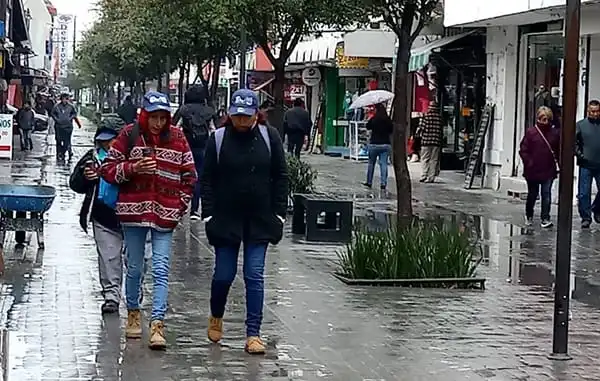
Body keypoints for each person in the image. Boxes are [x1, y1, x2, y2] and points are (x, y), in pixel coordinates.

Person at [101, 91, 197, 349]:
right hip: (133, 214)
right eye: (153, 117)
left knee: (161, 269)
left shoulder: (177, 138)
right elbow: (108, 169)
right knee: (134, 267)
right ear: (144, 115)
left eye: (162, 117)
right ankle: (133, 313)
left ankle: (157, 324)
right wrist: (132, 168)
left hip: (165, 215)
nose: (157, 123)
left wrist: (180, 206)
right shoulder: (129, 135)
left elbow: (189, 175)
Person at [200, 89, 288, 354]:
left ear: (255, 115)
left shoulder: (268, 136)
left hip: (260, 218)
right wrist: (209, 213)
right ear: (229, 114)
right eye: (236, 116)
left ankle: (253, 333)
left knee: (254, 275)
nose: (241, 121)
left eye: (246, 116)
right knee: (224, 275)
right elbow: (206, 179)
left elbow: (281, 175)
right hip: (226, 218)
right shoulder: (217, 139)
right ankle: (216, 315)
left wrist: (279, 213)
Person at [69, 116, 126, 314]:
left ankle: (135, 295)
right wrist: (85, 178)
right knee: (108, 258)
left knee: (138, 261)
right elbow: (74, 184)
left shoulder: (133, 157)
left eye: (113, 139)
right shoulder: (91, 158)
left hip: (132, 217)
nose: (109, 144)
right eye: (105, 140)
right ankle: (111, 296)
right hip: (103, 216)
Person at [172, 84, 215, 220]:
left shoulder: (183, 110)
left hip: (185, 148)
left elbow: (174, 128)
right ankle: (195, 211)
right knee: (200, 178)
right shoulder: (209, 111)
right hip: (204, 148)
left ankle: (179, 207)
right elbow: (214, 130)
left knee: (181, 177)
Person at [519, 106, 560, 228]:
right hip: (533, 170)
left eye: (547, 119)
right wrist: (529, 162)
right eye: (542, 119)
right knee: (533, 193)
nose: (544, 122)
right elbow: (523, 150)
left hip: (548, 169)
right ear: (538, 119)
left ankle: (545, 218)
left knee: (546, 193)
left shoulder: (554, 134)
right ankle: (529, 215)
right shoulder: (531, 133)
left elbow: (558, 151)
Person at [576, 99, 600, 228]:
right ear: (587, 111)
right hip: (586, 163)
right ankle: (585, 217)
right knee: (584, 192)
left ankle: (596, 208)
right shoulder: (580, 125)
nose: (595, 114)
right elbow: (575, 143)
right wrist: (580, 155)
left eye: (597, 111)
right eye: (592, 111)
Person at [362, 103, 393, 190]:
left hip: (374, 144)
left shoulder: (374, 119)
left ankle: (369, 182)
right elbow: (391, 130)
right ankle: (383, 183)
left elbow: (368, 126)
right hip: (385, 144)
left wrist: (369, 118)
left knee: (371, 163)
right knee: (383, 164)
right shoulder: (387, 119)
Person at [417, 101, 443, 183]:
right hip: (436, 142)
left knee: (425, 159)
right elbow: (441, 131)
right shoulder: (439, 118)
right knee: (434, 160)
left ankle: (424, 175)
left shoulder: (426, 117)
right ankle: (431, 177)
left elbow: (421, 129)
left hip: (426, 141)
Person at [51, 93, 81, 160]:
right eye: (63, 99)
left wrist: (70, 118)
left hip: (68, 126)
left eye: (66, 99)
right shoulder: (57, 106)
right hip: (59, 126)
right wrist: (56, 119)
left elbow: (75, 113)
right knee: (58, 140)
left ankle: (63, 152)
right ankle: (58, 153)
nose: (65, 100)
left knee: (66, 141)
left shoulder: (71, 106)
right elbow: (52, 113)